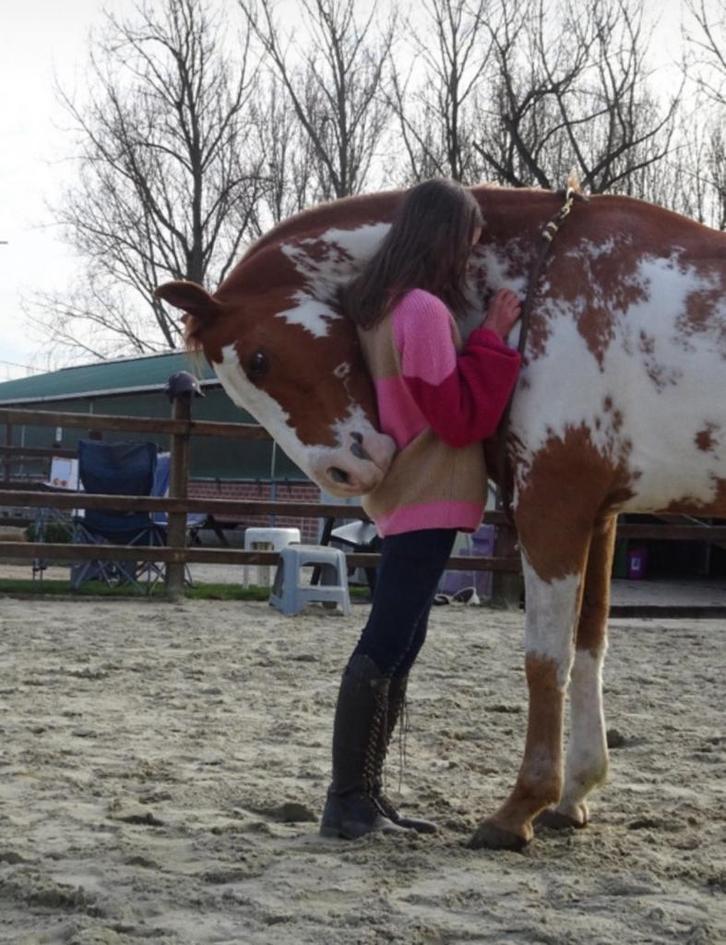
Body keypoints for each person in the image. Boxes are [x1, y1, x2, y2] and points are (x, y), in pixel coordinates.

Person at [320, 178, 522, 840]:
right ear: (444, 237)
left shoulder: (378, 307)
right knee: (389, 637)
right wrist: (492, 338)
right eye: (468, 237)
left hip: (404, 489)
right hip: (427, 487)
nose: (472, 250)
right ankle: (347, 799)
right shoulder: (424, 312)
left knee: (403, 639)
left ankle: (366, 795)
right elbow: (459, 418)